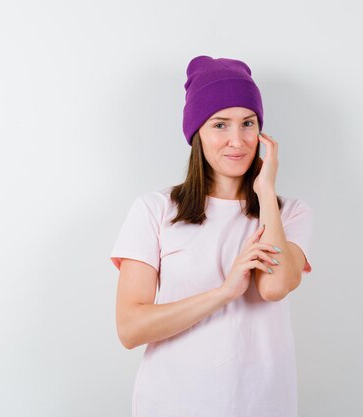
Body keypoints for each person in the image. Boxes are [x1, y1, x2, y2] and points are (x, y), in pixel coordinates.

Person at [109, 55, 314, 417]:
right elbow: (130, 328)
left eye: (247, 123)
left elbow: (274, 287)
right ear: (197, 133)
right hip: (173, 404)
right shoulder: (155, 210)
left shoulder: (289, 213)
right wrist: (224, 293)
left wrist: (266, 191)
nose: (237, 140)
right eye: (220, 125)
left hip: (263, 404)